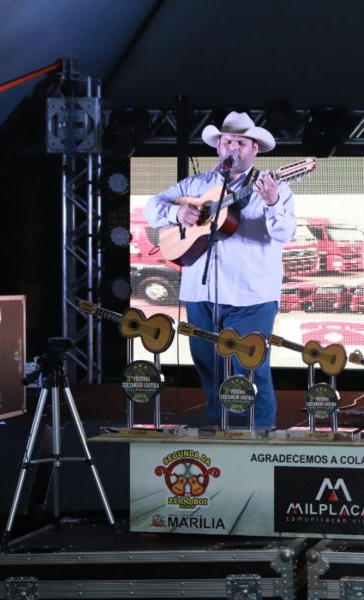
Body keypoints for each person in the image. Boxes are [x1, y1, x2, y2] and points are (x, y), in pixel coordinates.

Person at [143, 111, 297, 428]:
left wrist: (271, 202)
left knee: (249, 368)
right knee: (209, 366)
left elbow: (285, 233)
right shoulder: (196, 185)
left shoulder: (272, 186)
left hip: (250, 295)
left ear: (255, 149)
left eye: (241, 142)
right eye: (228, 141)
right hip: (200, 294)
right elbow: (151, 208)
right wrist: (178, 212)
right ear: (218, 147)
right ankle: (218, 431)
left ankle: (259, 433)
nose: (233, 147)